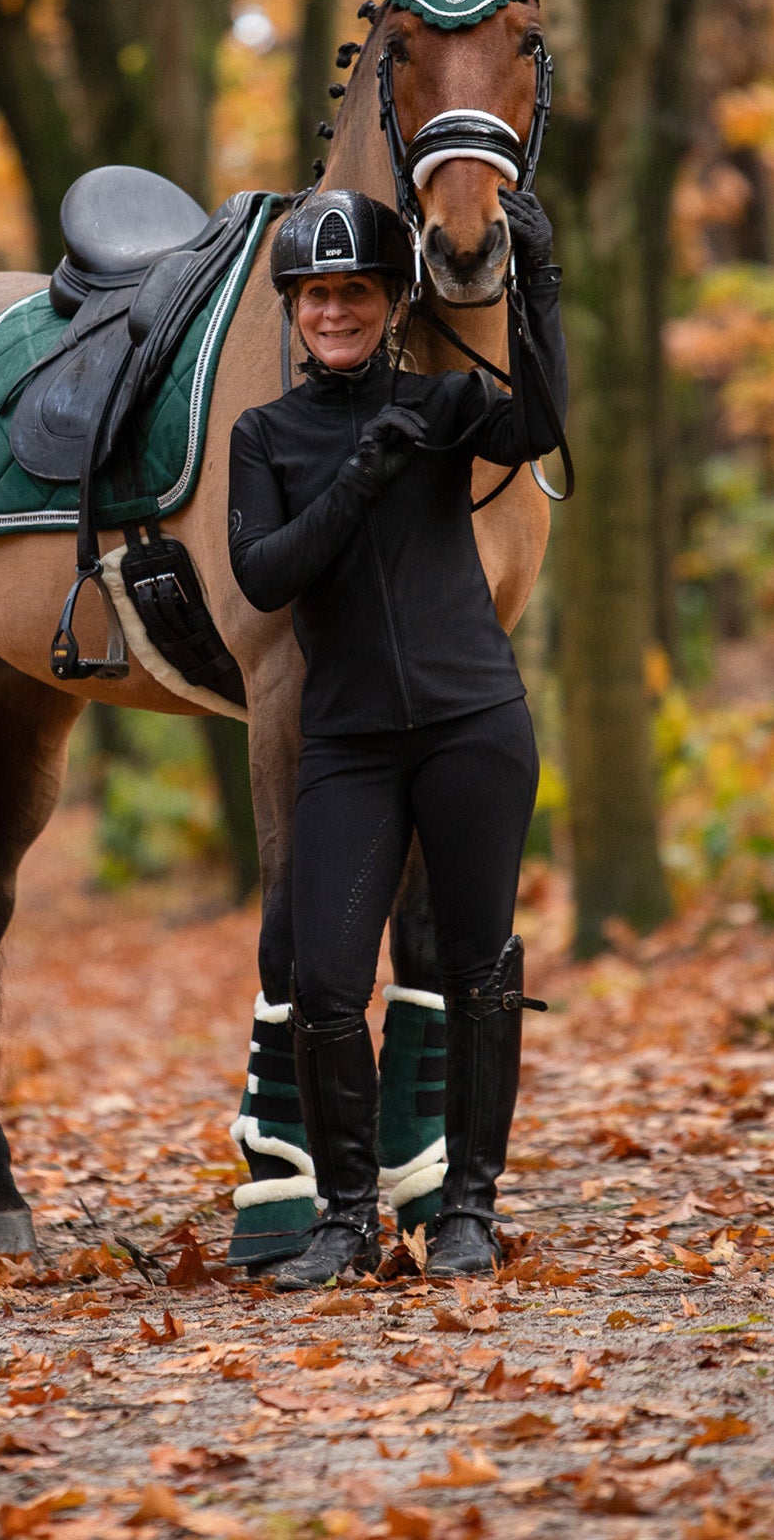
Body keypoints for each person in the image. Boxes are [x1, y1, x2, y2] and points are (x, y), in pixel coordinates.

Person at [227, 185, 567, 1288]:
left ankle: (467, 1205)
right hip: (350, 744)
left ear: (390, 299)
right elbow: (265, 570)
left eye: (357, 292)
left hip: (475, 723)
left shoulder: (448, 401)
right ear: (294, 308)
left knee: (480, 968)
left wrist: (540, 291)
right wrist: (363, 471)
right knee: (325, 980)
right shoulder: (263, 436)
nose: (337, 311)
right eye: (318, 294)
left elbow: (542, 424)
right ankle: (346, 1218)